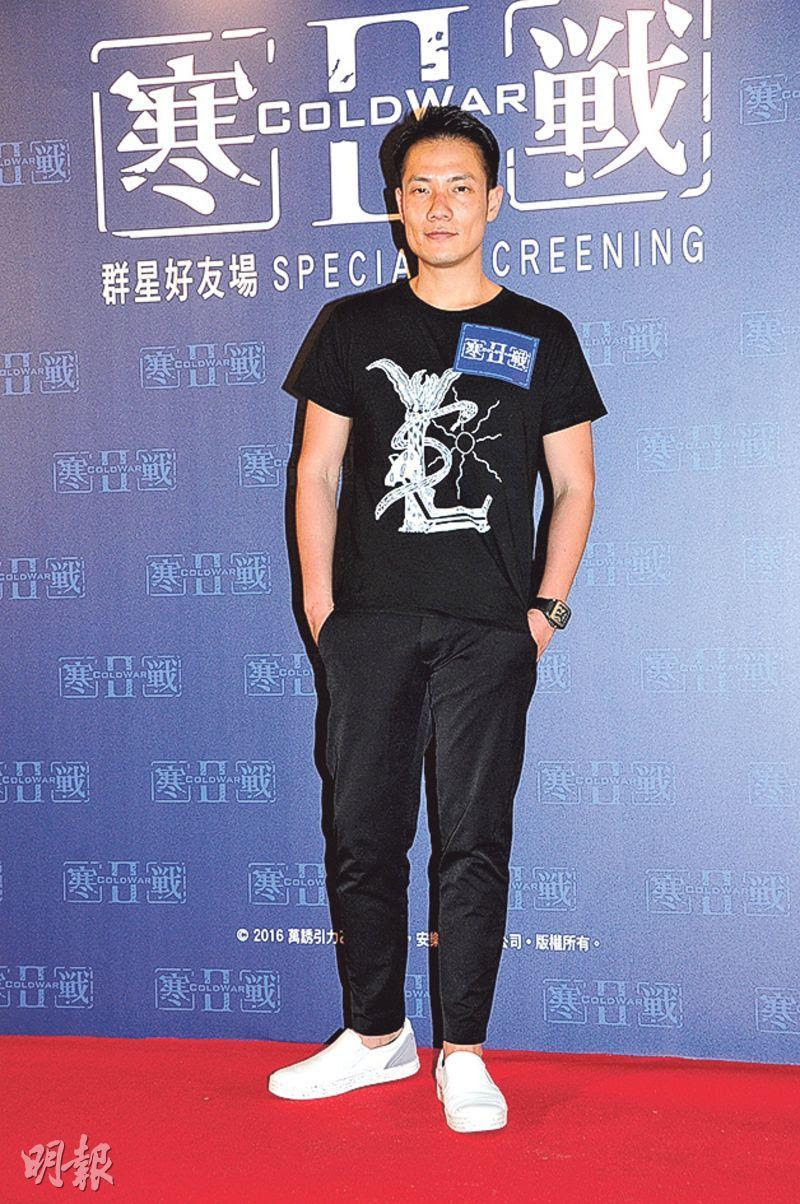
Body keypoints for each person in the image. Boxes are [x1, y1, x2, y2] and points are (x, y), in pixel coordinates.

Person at [270, 104, 608, 1132]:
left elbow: (574, 485)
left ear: (493, 200)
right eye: (419, 188)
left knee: (472, 839)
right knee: (360, 835)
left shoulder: (541, 333)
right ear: (396, 205)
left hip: (488, 631)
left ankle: (464, 1052)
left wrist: (544, 611)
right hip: (369, 624)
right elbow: (317, 470)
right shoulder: (352, 326)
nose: (439, 205)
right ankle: (376, 1037)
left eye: (460, 186)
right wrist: (322, 607)